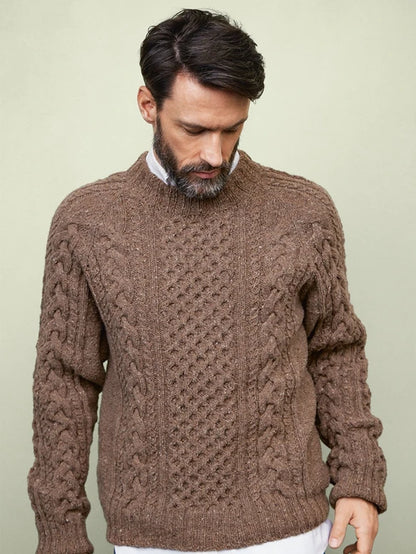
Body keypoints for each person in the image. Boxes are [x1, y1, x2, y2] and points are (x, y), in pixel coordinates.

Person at [27, 8, 387, 554]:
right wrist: (60, 531)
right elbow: (65, 382)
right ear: (148, 105)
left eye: (232, 129)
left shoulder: (304, 212)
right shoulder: (87, 222)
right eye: (194, 130)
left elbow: (335, 349)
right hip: (148, 538)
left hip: (291, 530)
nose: (214, 154)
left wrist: (359, 476)